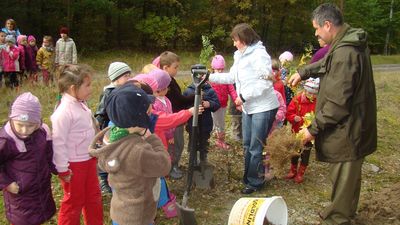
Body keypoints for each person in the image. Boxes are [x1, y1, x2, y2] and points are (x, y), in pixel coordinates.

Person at [288, 3, 377, 224]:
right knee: (345, 180)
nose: (316, 33)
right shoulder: (345, 44)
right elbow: (326, 62)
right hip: (352, 126)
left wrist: (313, 128)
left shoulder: (346, 52)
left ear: (327, 25)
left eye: (317, 28)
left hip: (349, 130)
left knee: (345, 177)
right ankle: (339, 210)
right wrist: (303, 71)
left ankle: (338, 218)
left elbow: (338, 103)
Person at [208, 23, 279, 194]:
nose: (234, 43)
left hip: (263, 106)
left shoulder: (260, 55)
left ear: (244, 38)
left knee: (255, 146)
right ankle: (248, 177)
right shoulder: (240, 55)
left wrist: (244, 96)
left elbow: (266, 81)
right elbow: (232, 76)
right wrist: (208, 76)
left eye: (235, 40)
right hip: (249, 107)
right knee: (247, 144)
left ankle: (255, 182)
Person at [89, 83, 171, 225]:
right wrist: (151, 137)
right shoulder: (138, 151)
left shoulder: (110, 138)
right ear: (140, 116)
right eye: (148, 109)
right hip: (139, 215)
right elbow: (164, 165)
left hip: (120, 211)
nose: (151, 109)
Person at [51, 64, 103, 225]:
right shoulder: (63, 112)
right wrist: (62, 169)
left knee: (93, 197)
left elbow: (89, 125)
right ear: (73, 88)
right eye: (87, 85)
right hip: (74, 166)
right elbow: (58, 143)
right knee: (74, 201)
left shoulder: (81, 103)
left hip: (88, 160)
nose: (91, 88)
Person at [0, 92, 57, 225]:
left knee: (40, 216)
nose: (25, 130)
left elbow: (49, 153)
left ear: (38, 122)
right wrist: (7, 184)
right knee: (23, 220)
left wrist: (57, 168)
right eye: (20, 125)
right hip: (20, 195)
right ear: (11, 119)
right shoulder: (6, 140)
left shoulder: (42, 132)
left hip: (41, 187)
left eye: (30, 125)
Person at [94, 62, 131, 194]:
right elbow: (100, 113)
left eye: (129, 75)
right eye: (125, 76)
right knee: (106, 155)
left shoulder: (125, 90)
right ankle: (104, 180)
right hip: (108, 129)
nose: (129, 78)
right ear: (116, 78)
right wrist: (99, 130)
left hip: (120, 128)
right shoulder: (108, 93)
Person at [161, 51, 194, 178]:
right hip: (174, 120)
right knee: (176, 144)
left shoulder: (170, 80)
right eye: (175, 67)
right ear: (165, 67)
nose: (177, 70)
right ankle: (171, 167)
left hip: (176, 118)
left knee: (177, 143)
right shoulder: (166, 83)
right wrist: (194, 97)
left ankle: (173, 165)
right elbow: (178, 100)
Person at [285, 78, 319, 183]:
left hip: (309, 134)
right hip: (296, 131)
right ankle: (293, 170)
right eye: (308, 92)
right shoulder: (297, 99)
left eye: (313, 93)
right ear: (304, 90)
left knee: (305, 153)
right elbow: (289, 112)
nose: (310, 95)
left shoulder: (318, 103)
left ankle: (301, 172)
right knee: (295, 152)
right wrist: (294, 117)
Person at [183, 76, 220, 165]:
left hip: (205, 123)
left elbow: (217, 104)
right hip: (192, 123)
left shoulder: (210, 91)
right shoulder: (189, 91)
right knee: (193, 140)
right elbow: (183, 105)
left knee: (204, 141)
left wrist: (209, 104)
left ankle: (203, 159)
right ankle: (193, 159)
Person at [209, 54, 238, 150]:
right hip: (212, 106)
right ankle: (207, 140)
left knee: (221, 124)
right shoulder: (210, 79)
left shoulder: (226, 79)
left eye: (221, 69)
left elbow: (232, 91)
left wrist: (237, 101)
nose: (220, 71)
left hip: (222, 106)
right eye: (218, 69)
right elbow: (205, 91)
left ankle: (220, 141)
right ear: (213, 68)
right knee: (211, 123)